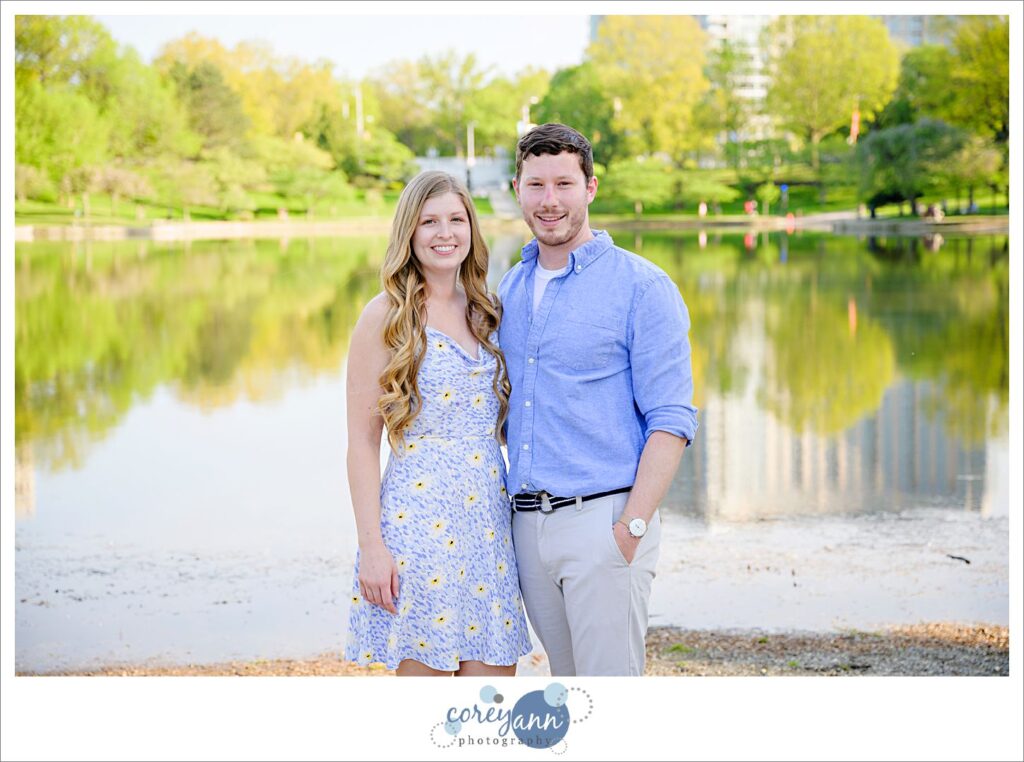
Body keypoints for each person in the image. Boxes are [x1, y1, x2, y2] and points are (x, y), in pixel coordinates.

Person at [499, 124, 698, 676]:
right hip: (527, 527)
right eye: (535, 185)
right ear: (517, 188)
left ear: (590, 187)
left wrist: (630, 528)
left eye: (564, 183)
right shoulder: (508, 290)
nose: (549, 201)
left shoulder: (642, 286)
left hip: (604, 523)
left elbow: (672, 420)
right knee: (567, 693)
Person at [343, 171, 532, 676]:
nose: (445, 232)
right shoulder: (384, 317)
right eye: (429, 221)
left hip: (490, 529)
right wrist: (371, 547)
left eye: (456, 219)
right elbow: (362, 445)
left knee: (487, 710)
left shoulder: (488, 310)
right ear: (409, 232)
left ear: (472, 228)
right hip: (417, 528)